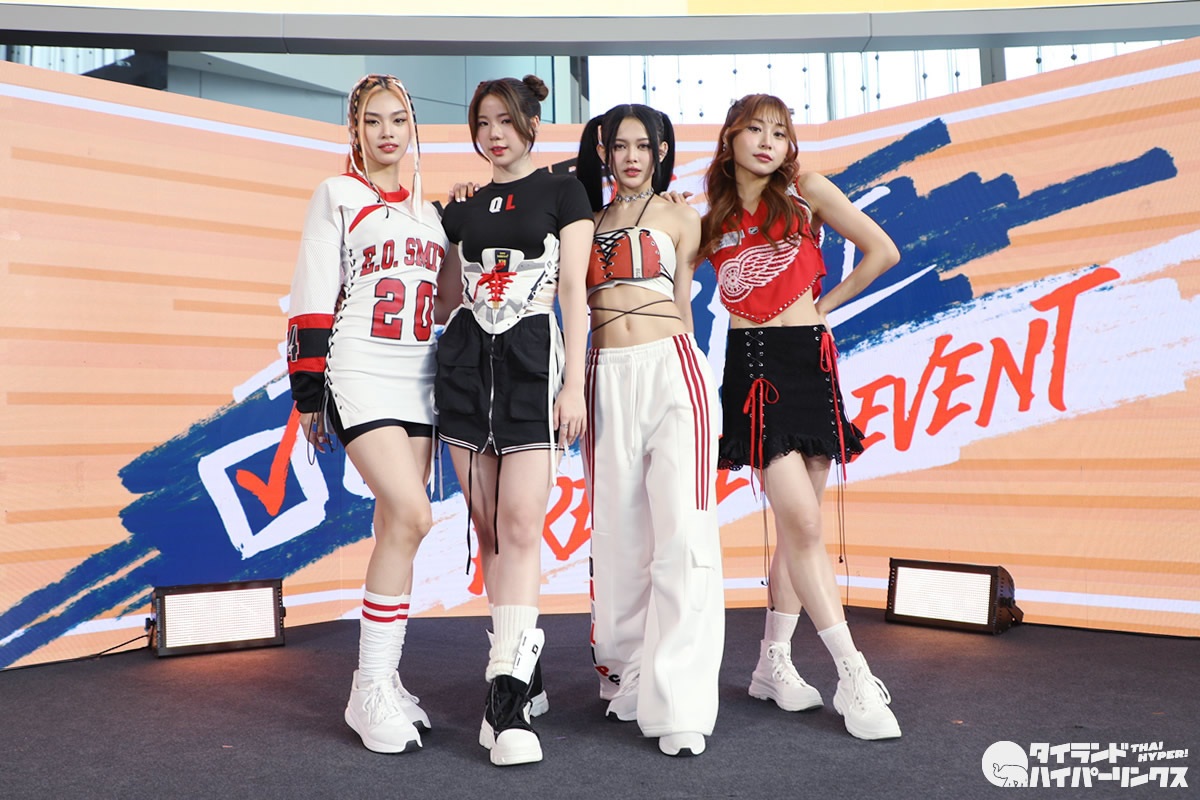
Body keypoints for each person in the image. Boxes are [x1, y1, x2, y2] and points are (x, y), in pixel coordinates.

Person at [699, 93, 902, 740]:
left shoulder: (807, 191)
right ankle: (853, 672)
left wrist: (824, 308)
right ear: (730, 139)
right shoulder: (709, 220)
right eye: (754, 129)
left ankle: (773, 663)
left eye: (780, 132)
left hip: (810, 363)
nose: (767, 141)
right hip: (754, 368)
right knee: (805, 522)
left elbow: (882, 251)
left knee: (797, 530)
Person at [287, 75, 456, 753]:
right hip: (359, 370)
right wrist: (308, 393)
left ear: (413, 129)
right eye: (373, 121)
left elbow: (447, 301)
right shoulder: (336, 194)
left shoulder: (432, 214)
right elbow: (311, 293)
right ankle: (370, 688)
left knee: (397, 529)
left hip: (420, 376)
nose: (387, 132)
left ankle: (383, 681)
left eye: (398, 120)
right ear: (354, 130)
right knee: (414, 515)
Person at [436, 74, 593, 766]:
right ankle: (522, 669)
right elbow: (447, 299)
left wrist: (573, 386)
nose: (494, 133)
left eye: (505, 120)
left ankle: (502, 704)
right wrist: (451, 219)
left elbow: (574, 293)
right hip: (468, 370)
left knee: (523, 525)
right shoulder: (463, 207)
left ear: (531, 122)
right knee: (490, 531)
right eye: (483, 122)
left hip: (534, 365)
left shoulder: (564, 192)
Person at [573, 104, 724, 758]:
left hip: (672, 370)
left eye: (644, 145)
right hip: (604, 376)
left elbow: (686, 301)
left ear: (662, 151)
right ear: (604, 151)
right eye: (621, 146)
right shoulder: (582, 219)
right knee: (618, 537)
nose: (632, 157)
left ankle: (681, 700)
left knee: (683, 533)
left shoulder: (682, 216)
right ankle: (630, 675)